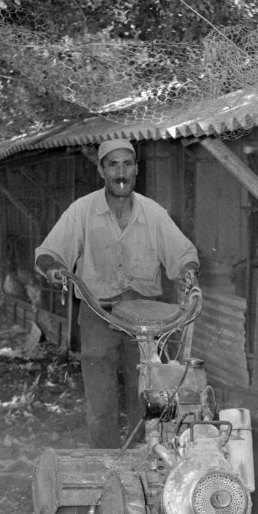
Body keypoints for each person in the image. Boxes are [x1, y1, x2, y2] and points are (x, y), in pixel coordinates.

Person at [34, 138, 199, 448]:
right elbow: (48, 251)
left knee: (146, 394)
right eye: (113, 164)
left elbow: (182, 253)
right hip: (99, 311)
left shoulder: (153, 213)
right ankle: (105, 462)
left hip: (144, 317)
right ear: (101, 170)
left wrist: (188, 272)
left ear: (136, 168)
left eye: (127, 164)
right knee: (101, 401)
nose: (121, 172)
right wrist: (55, 268)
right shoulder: (81, 211)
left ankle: (142, 458)